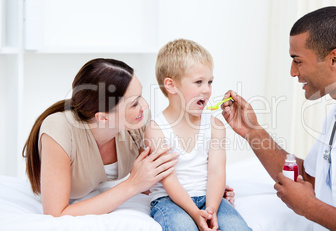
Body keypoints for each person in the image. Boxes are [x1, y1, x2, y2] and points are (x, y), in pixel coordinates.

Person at [221, 6, 336, 231]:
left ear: (334, 59)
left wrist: (309, 207)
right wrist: (252, 131)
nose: (292, 72)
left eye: (297, 60)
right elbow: (309, 178)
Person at [22, 58, 234, 217]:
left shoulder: (137, 124)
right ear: (103, 118)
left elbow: (155, 175)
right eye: (134, 103)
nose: (145, 106)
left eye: (141, 96)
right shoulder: (59, 130)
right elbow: (55, 214)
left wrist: (200, 188)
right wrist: (132, 185)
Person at [145, 39, 250, 231]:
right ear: (171, 85)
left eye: (209, 82)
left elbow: (217, 171)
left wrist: (211, 210)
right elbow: (169, 179)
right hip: (169, 200)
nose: (207, 89)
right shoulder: (156, 129)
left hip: (209, 199)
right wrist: (195, 213)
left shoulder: (215, 126)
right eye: (198, 82)